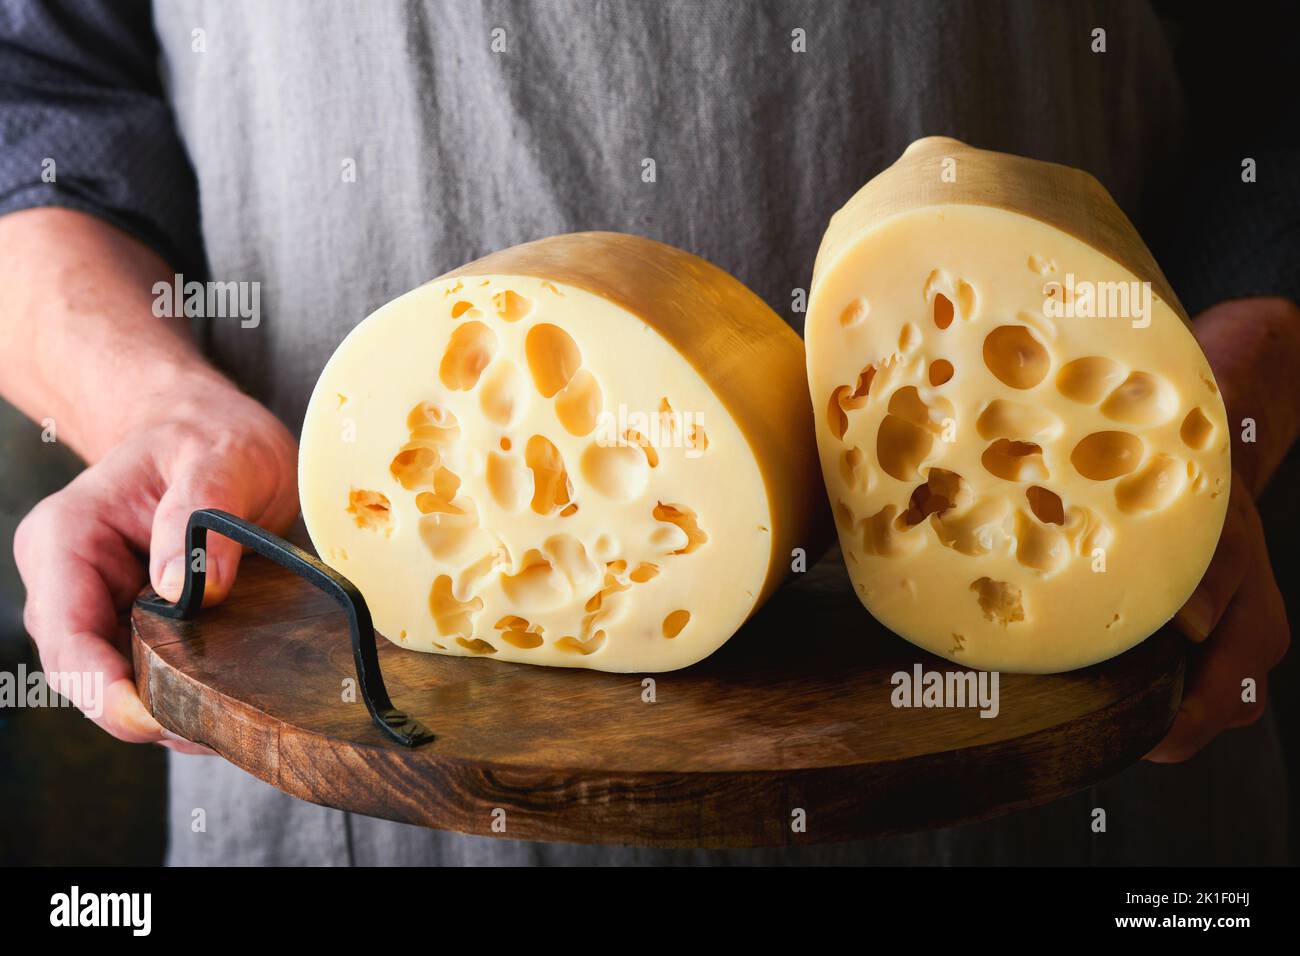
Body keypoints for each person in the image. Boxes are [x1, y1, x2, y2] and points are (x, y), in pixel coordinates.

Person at [1, 0, 1293, 865]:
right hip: (354, 745)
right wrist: (144, 402)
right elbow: (36, 87)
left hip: (1076, 784)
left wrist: (1239, 379)